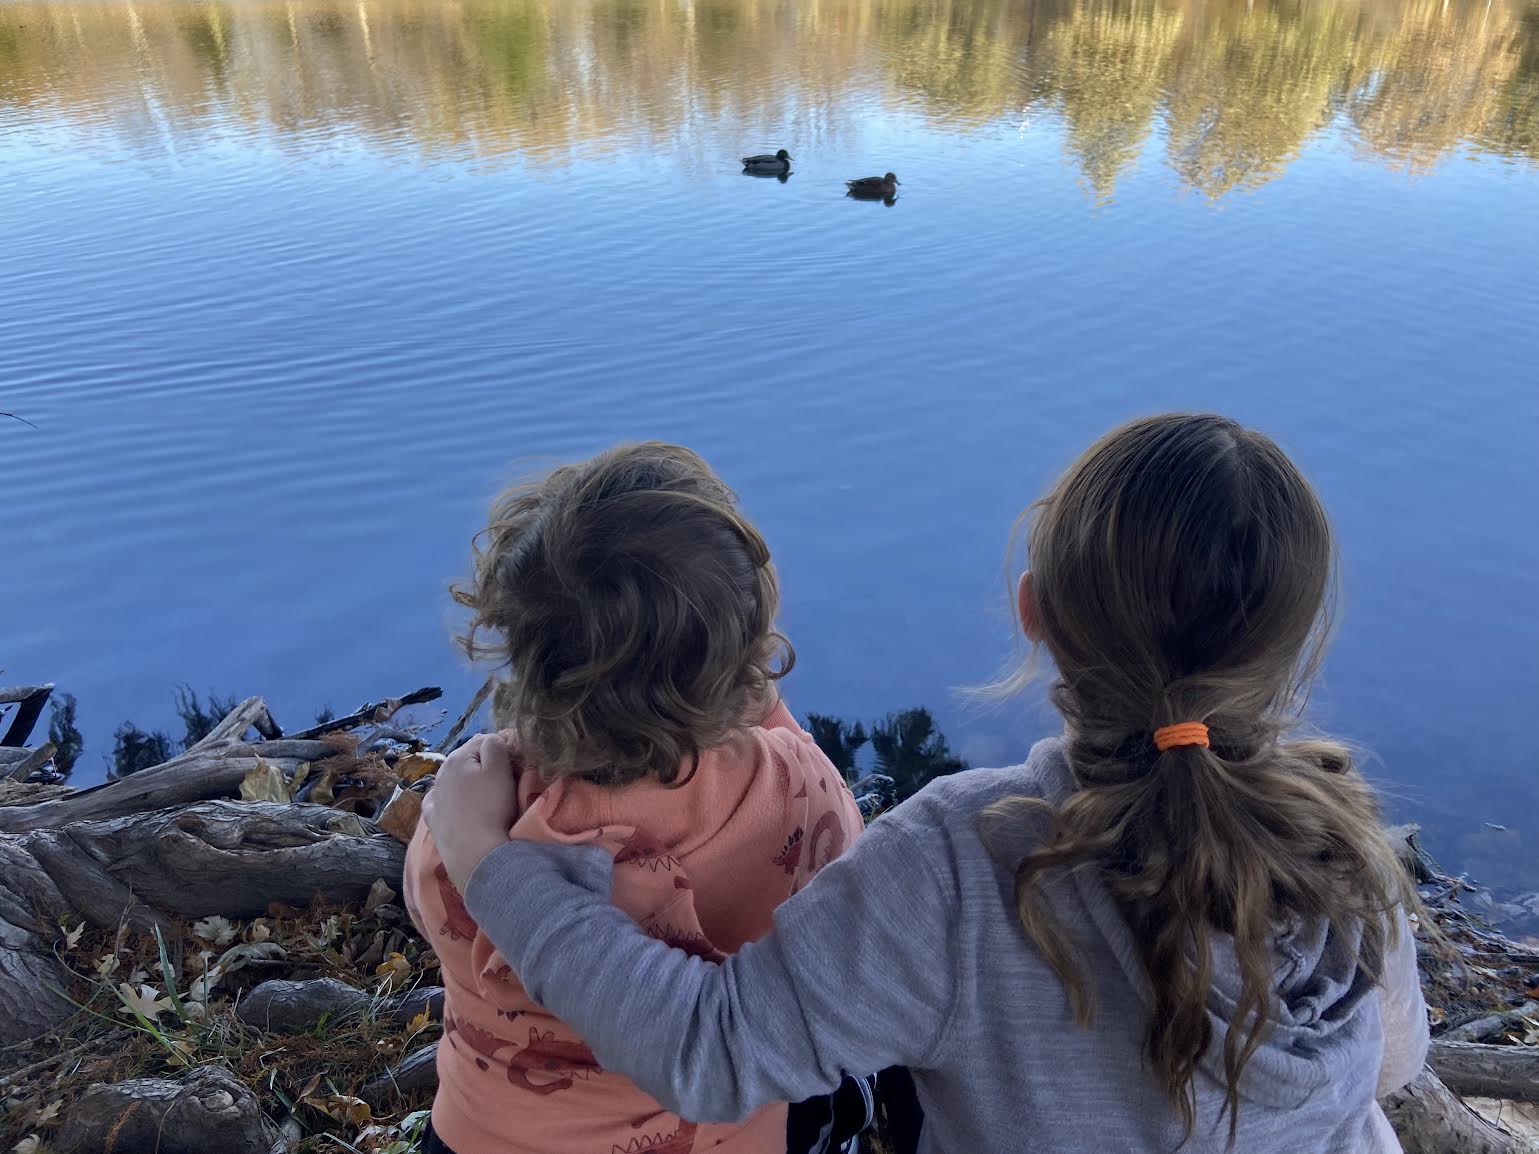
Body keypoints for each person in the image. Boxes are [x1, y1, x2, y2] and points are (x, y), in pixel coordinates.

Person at [424, 414, 1432, 1153]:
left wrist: (493, 864)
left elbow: (711, 1047)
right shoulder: (1345, 843)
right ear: (1291, 652)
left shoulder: (964, 860)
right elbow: (1390, 1062)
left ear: (1034, 612)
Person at [402, 442, 866, 1154]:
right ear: (744, 651)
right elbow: (840, 851)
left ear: (525, 655)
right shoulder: (798, 792)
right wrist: (760, 708)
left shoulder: (474, 823)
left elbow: (429, 915)